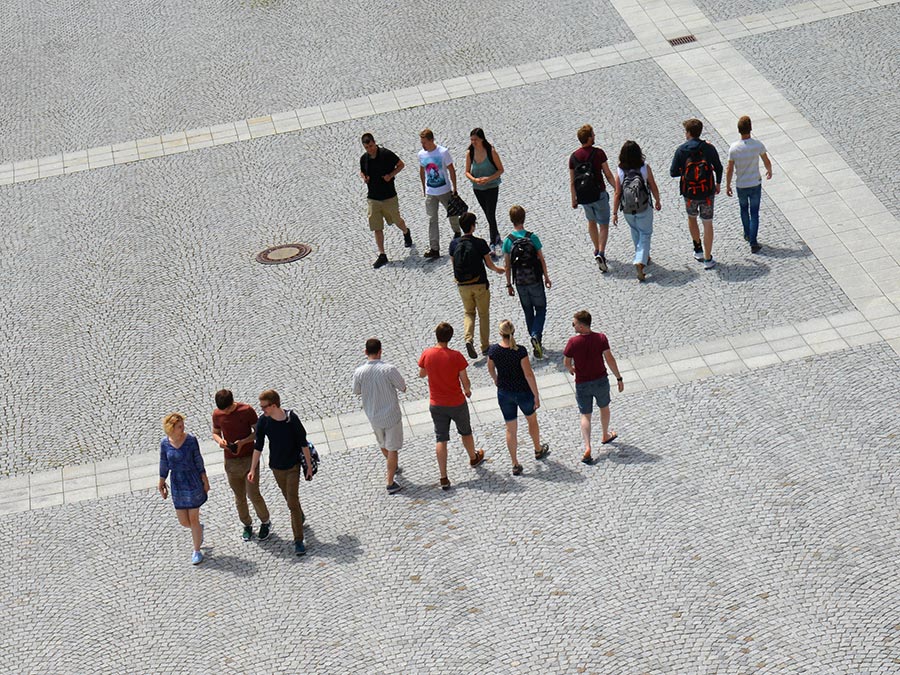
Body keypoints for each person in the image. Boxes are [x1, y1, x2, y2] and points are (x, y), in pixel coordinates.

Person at [418, 322, 486, 490]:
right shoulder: (456, 356)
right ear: (450, 337)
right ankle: (473, 457)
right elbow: (465, 380)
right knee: (465, 431)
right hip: (456, 403)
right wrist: (468, 391)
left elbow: (421, 374)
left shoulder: (427, 354)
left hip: (436, 404)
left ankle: (443, 476)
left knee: (441, 438)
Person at [248, 390, 314, 557]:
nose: (262, 410)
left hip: (293, 466)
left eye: (264, 407)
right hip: (276, 467)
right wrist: (252, 469)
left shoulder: (292, 419)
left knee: (292, 501)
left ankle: (298, 540)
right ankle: (300, 516)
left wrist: (308, 466)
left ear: (274, 405)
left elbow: (303, 443)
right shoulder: (263, 421)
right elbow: (258, 446)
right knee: (289, 498)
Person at [487, 320, 550, 476]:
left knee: (511, 428)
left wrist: (496, 379)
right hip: (523, 392)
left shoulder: (494, 351)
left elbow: (490, 368)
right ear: (513, 332)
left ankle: (515, 463)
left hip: (504, 393)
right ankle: (537, 449)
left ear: (500, 333)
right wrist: (536, 395)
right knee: (532, 420)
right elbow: (528, 374)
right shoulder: (520, 351)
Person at [563, 311, 624, 465]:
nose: (573, 325)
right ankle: (605, 435)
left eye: (574, 323)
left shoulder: (573, 342)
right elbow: (609, 359)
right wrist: (618, 377)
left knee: (585, 415)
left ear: (582, 326)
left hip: (582, 383)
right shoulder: (601, 338)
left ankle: (587, 447)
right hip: (601, 380)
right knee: (604, 407)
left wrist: (571, 369)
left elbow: (566, 362)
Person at [212, 389, 271, 542]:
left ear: (233, 403)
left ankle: (265, 521)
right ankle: (247, 524)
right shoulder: (217, 414)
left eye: (227, 409)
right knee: (239, 497)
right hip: (231, 461)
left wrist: (243, 441)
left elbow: (259, 432)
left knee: (253, 493)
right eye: (222, 409)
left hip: (249, 458)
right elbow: (215, 432)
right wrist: (220, 441)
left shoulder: (246, 410)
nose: (225, 412)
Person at [352, 338, 408, 494]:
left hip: (373, 416)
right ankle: (390, 482)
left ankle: (393, 465)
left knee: (383, 445)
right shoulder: (389, 369)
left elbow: (356, 390)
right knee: (393, 448)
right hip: (391, 416)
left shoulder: (359, 372)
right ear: (380, 351)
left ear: (365, 352)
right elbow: (403, 387)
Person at [449, 212, 506, 359]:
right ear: (472, 226)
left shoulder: (454, 244)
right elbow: (489, 264)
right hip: (479, 283)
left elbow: (453, 264)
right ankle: (485, 346)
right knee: (483, 314)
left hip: (462, 285)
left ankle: (468, 339)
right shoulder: (480, 243)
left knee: (469, 313)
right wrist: (499, 270)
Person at [669, 118, 723, 270]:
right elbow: (718, 167)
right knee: (707, 222)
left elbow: (673, 172)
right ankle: (707, 258)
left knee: (692, 218)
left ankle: (697, 248)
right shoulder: (708, 148)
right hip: (707, 192)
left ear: (688, 133)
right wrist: (718, 183)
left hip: (689, 193)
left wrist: (685, 173)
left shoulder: (681, 150)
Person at [158, 413, 210, 565]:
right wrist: (161, 482)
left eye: (182, 425)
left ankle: (196, 550)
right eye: (179, 426)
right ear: (171, 428)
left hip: (192, 481)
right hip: (177, 483)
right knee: (183, 521)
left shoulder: (191, 441)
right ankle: (198, 530)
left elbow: (198, 460)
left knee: (193, 518)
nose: (183, 428)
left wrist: (204, 480)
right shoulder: (165, 443)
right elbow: (163, 463)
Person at [502, 205, 551, 358]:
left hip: (521, 282)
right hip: (535, 279)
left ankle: (535, 339)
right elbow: (541, 259)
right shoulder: (532, 237)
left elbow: (507, 266)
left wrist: (509, 284)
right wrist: (546, 277)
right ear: (524, 218)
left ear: (511, 220)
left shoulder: (508, 241)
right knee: (541, 309)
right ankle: (536, 336)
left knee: (528, 311)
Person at [359, 133, 413, 269]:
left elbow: (401, 165)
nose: (370, 149)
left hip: (389, 196)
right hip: (373, 197)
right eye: (366, 147)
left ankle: (406, 232)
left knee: (397, 220)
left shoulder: (386, 154)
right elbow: (362, 171)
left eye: (371, 146)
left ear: (374, 142)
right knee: (376, 226)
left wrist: (391, 175)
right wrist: (364, 177)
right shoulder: (364, 159)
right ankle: (382, 254)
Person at [612, 140, 662, 281]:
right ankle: (640, 260)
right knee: (645, 233)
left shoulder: (620, 170)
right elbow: (652, 184)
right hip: (643, 206)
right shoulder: (644, 167)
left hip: (627, 209)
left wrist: (615, 212)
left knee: (635, 231)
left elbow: (617, 193)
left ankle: (643, 255)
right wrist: (657, 200)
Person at [569, 124, 616, 272]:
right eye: (593, 135)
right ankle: (601, 252)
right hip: (599, 194)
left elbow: (572, 181)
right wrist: (617, 189)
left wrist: (573, 199)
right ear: (589, 138)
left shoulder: (573, 157)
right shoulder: (599, 153)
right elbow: (608, 174)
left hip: (584, 197)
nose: (594, 136)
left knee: (591, 222)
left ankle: (596, 249)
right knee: (603, 224)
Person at [726, 116, 773, 253]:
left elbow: (729, 169)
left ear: (738, 130)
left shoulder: (733, 148)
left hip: (741, 184)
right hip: (755, 183)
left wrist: (727, 185)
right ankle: (753, 241)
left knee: (743, 210)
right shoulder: (757, 145)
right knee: (754, 212)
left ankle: (747, 233)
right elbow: (766, 160)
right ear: (750, 128)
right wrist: (769, 171)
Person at [418, 128, 461, 259]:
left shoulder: (443, 152)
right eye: (421, 142)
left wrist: (454, 188)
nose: (422, 145)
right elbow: (422, 171)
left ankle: (457, 232)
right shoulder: (421, 154)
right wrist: (424, 188)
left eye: (424, 142)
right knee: (432, 219)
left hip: (444, 190)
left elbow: (451, 170)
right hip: (431, 192)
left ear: (431, 140)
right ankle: (434, 248)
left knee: (452, 214)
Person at [464, 128, 505, 257]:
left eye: (475, 140)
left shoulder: (491, 152)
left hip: (492, 187)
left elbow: (500, 170)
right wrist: (475, 179)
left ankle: (493, 241)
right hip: (478, 188)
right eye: (472, 140)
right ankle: (496, 236)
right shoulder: (470, 153)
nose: (473, 142)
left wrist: (489, 178)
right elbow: (467, 172)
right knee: (488, 214)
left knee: (490, 213)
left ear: (482, 139)